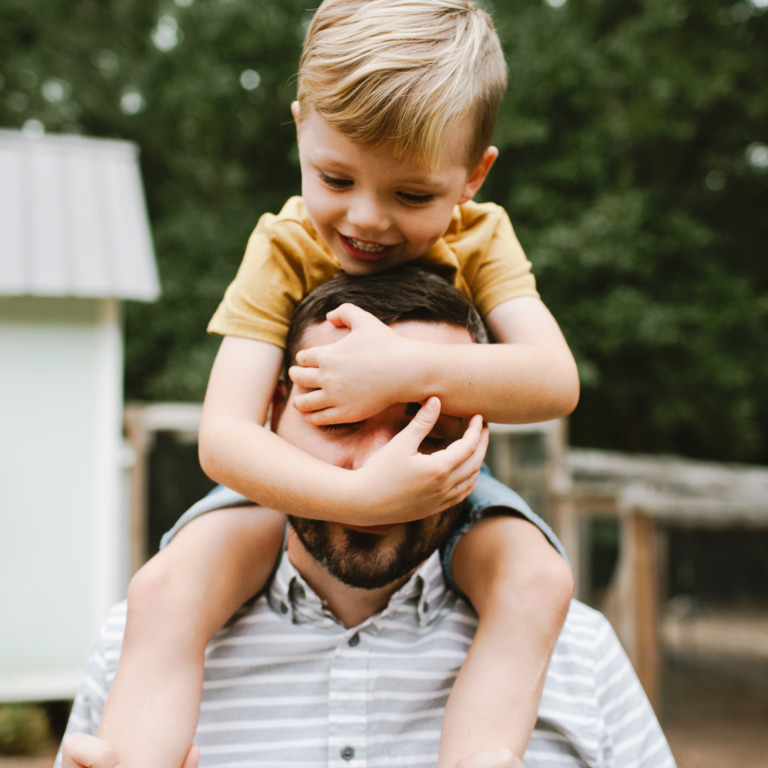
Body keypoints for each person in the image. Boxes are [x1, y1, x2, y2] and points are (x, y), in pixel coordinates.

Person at [99, 2, 581, 767]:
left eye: (412, 195)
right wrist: (361, 499)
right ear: (300, 130)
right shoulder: (285, 247)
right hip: (287, 490)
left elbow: (553, 382)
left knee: (538, 580)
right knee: (168, 588)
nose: (366, 219)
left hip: (447, 490)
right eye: (335, 176)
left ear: (474, 175)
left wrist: (407, 370)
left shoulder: (481, 235)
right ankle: (132, 757)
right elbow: (225, 439)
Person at [59, 270, 675, 768]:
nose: (387, 468)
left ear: (482, 432)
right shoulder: (137, 644)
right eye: (338, 418)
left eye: (430, 424)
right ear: (268, 411)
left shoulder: (580, 652)